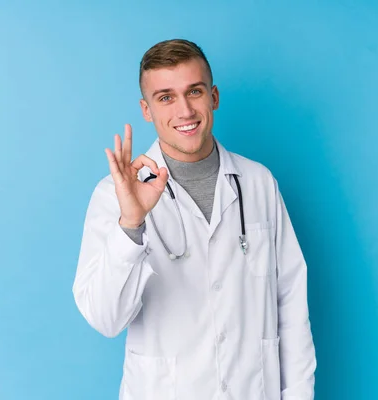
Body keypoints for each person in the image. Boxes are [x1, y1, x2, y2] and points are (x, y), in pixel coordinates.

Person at [72, 39, 316, 400]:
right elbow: (106, 319)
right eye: (165, 97)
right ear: (146, 109)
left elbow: (292, 308)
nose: (184, 110)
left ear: (213, 97)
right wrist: (131, 224)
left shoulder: (258, 182)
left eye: (194, 91)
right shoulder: (116, 194)